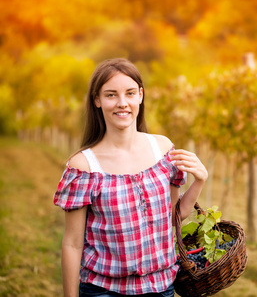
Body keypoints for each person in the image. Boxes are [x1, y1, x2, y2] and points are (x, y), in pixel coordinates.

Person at [53, 58, 208, 297]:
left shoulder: (163, 149)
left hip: (161, 288)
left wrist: (199, 181)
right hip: (104, 291)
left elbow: (172, 214)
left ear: (141, 96)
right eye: (111, 95)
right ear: (97, 100)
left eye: (130, 93)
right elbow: (72, 244)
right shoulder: (84, 166)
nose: (122, 103)